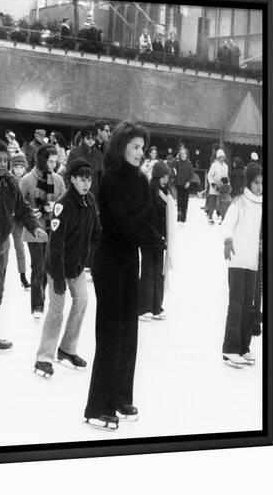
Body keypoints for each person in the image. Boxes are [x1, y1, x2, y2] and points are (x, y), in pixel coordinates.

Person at [84, 121, 162, 431]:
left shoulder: (142, 180)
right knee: (111, 334)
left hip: (131, 260)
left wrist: (156, 238)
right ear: (121, 147)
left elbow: (145, 219)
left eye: (143, 148)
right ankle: (96, 407)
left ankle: (119, 397)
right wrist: (146, 215)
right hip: (109, 261)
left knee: (130, 333)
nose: (140, 153)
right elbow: (125, 222)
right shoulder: (111, 179)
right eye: (135, 147)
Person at [0, 139, 46, 359]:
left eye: (6, 160)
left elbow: (22, 209)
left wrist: (35, 227)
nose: (4, 164)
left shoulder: (12, 182)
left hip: (1, 247)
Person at [33, 158, 101, 378]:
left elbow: (96, 231)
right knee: (56, 310)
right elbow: (56, 243)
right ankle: (43, 357)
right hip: (57, 267)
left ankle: (67, 349)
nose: (86, 183)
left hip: (77, 266)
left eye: (89, 179)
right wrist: (59, 277)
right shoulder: (63, 204)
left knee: (82, 302)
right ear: (72, 179)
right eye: (82, 179)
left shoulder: (90, 200)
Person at [221, 162, 262, 368]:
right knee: (236, 304)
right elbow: (227, 223)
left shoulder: (264, 204)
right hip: (237, 260)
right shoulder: (239, 202)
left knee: (249, 306)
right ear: (249, 182)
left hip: (253, 263)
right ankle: (230, 348)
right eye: (256, 183)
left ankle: (244, 347)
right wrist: (228, 240)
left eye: (262, 183)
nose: (259, 187)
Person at [19, 144, 66, 319]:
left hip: (53, 229)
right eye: (51, 161)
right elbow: (17, 206)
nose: (54, 164)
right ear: (42, 160)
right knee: (37, 267)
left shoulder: (58, 180)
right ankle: (37, 305)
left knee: (48, 268)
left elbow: (65, 203)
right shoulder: (27, 180)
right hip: (34, 230)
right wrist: (31, 211)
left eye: (56, 161)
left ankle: (42, 297)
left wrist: (54, 207)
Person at [138, 160, 176, 321]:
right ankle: (144, 307)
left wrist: (165, 237)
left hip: (160, 240)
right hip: (148, 238)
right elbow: (146, 218)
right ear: (157, 176)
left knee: (158, 273)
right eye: (163, 176)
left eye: (167, 176)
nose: (165, 180)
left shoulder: (166, 194)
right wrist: (156, 236)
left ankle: (156, 306)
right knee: (148, 272)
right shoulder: (149, 192)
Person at [6, 153, 31, 289]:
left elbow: (28, 199)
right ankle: (1, 274)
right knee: (3, 247)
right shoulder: (7, 179)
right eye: (16, 167)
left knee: (19, 247)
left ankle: (23, 276)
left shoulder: (27, 180)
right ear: (12, 167)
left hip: (19, 220)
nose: (19, 169)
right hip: (6, 217)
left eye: (22, 167)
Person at [66, 125, 103, 200]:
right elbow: (68, 174)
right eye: (88, 138)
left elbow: (101, 175)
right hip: (77, 191)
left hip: (94, 192)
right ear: (83, 138)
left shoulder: (98, 154)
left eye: (93, 138)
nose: (91, 141)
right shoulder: (75, 153)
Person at [207, 149, 229, 224]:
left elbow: (226, 175)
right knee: (212, 202)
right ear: (218, 157)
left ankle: (222, 218)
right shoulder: (214, 165)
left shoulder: (226, 166)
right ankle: (210, 217)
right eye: (220, 157)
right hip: (214, 186)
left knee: (223, 202)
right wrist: (213, 184)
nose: (222, 158)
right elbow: (209, 175)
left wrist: (226, 182)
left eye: (223, 157)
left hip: (222, 186)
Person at [174, 148, 194, 223]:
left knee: (185, 202)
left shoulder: (189, 163)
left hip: (186, 186)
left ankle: (184, 218)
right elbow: (172, 166)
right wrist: (176, 157)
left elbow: (192, 175)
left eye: (184, 153)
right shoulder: (177, 163)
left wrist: (189, 182)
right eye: (181, 153)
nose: (183, 155)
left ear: (187, 155)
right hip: (179, 185)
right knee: (179, 201)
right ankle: (179, 217)